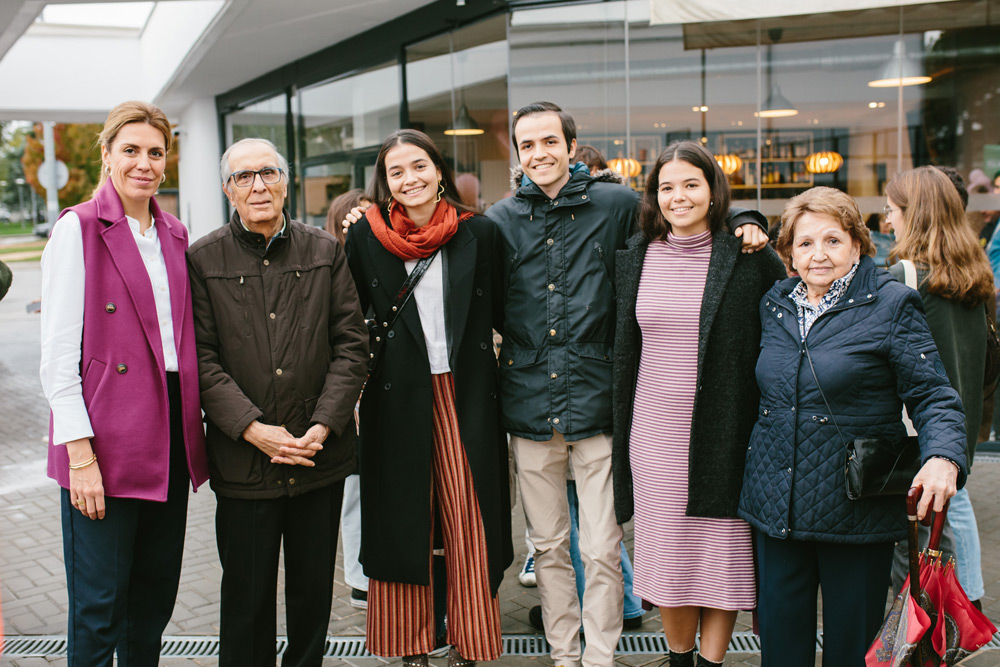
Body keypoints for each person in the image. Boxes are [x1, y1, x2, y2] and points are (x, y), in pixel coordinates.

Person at [485, 101, 769, 667]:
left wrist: (746, 217)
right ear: (517, 154)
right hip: (529, 402)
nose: (539, 153)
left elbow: (684, 218)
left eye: (550, 141)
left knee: (601, 546)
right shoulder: (498, 220)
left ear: (571, 145)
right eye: (527, 145)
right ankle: (564, 654)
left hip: (598, 401)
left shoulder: (616, 205)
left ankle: (600, 656)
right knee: (547, 546)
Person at [739, 186, 968, 667]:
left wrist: (943, 457)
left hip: (855, 507)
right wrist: (742, 218)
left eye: (832, 240)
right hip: (776, 503)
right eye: (805, 243)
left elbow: (933, 394)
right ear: (788, 253)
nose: (818, 254)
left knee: (851, 649)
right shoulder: (774, 304)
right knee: (780, 649)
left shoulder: (892, 303)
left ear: (857, 245)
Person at [39, 100, 210, 666]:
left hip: (169, 436)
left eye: (156, 152)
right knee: (99, 608)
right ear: (107, 154)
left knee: (151, 603)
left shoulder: (175, 233)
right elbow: (57, 358)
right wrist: (81, 457)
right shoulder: (79, 228)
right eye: (131, 150)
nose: (145, 163)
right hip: (104, 441)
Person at [187, 137, 369, 667]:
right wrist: (252, 428)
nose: (258, 185)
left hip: (317, 455)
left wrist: (324, 424)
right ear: (228, 189)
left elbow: (351, 345)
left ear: (286, 182)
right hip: (244, 462)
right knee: (246, 600)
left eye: (268, 172)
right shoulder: (202, 258)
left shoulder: (324, 250)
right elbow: (200, 359)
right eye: (243, 176)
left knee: (312, 597)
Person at [612, 141, 787, 667]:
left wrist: (749, 220)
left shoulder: (750, 257)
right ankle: (680, 658)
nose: (679, 196)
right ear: (654, 196)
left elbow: (782, 335)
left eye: (691, 184)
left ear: (714, 191)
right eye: (667, 187)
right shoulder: (636, 256)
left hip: (724, 430)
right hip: (654, 433)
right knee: (669, 554)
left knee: (720, 555)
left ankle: (712, 661)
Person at [343, 129, 512, 667]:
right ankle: (409, 643)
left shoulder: (478, 232)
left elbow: (504, 311)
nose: (410, 179)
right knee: (404, 518)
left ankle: (470, 640)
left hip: (466, 393)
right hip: (396, 397)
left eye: (419, 166)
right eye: (396, 171)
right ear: (384, 182)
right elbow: (348, 320)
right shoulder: (364, 237)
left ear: (439, 170)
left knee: (468, 517)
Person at [885, 166, 992, 609]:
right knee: (937, 544)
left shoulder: (905, 275)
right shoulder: (975, 275)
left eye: (892, 210)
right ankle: (961, 616)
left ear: (914, 214)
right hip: (957, 432)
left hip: (914, 437)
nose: (887, 220)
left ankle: (932, 634)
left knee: (910, 561)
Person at [325, 187, 373, 609]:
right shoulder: (332, 267)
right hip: (350, 392)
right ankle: (359, 579)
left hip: (382, 385)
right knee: (354, 484)